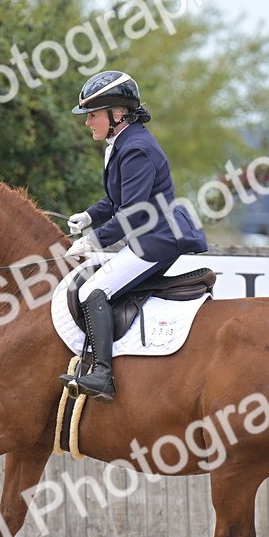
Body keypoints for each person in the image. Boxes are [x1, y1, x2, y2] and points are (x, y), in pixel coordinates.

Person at [59, 70, 207, 402]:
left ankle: (102, 375)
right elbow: (116, 202)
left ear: (117, 113)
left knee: (93, 290)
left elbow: (136, 212)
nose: (88, 123)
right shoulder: (122, 142)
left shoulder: (136, 147)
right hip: (147, 237)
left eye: (93, 115)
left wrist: (94, 239)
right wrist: (89, 217)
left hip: (158, 239)